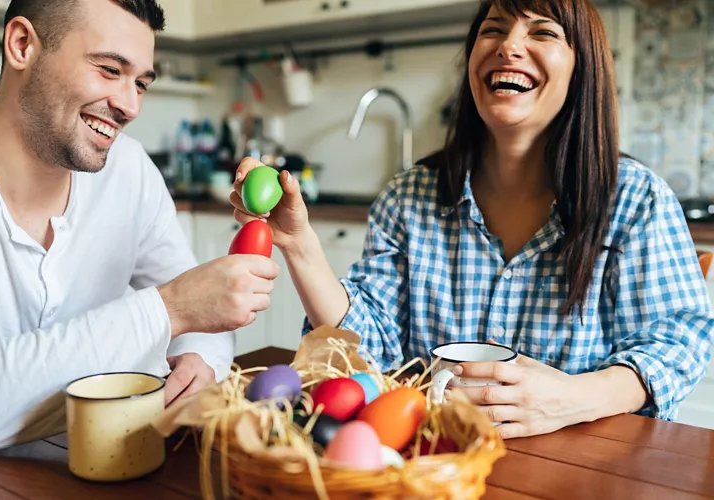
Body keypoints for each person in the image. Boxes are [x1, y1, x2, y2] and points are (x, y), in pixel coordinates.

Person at [231, 0, 714, 439]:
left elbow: (679, 339)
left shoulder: (633, 198)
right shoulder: (407, 197)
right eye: (493, 30)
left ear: (580, 70)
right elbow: (366, 345)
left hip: (578, 470)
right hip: (434, 465)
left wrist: (574, 398)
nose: (508, 46)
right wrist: (298, 242)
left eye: (542, 33)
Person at [0, 0, 279, 463]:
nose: (130, 105)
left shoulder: (130, 170)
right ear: (22, 45)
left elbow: (203, 315)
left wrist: (200, 360)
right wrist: (171, 309)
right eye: (110, 70)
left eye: (141, 84)